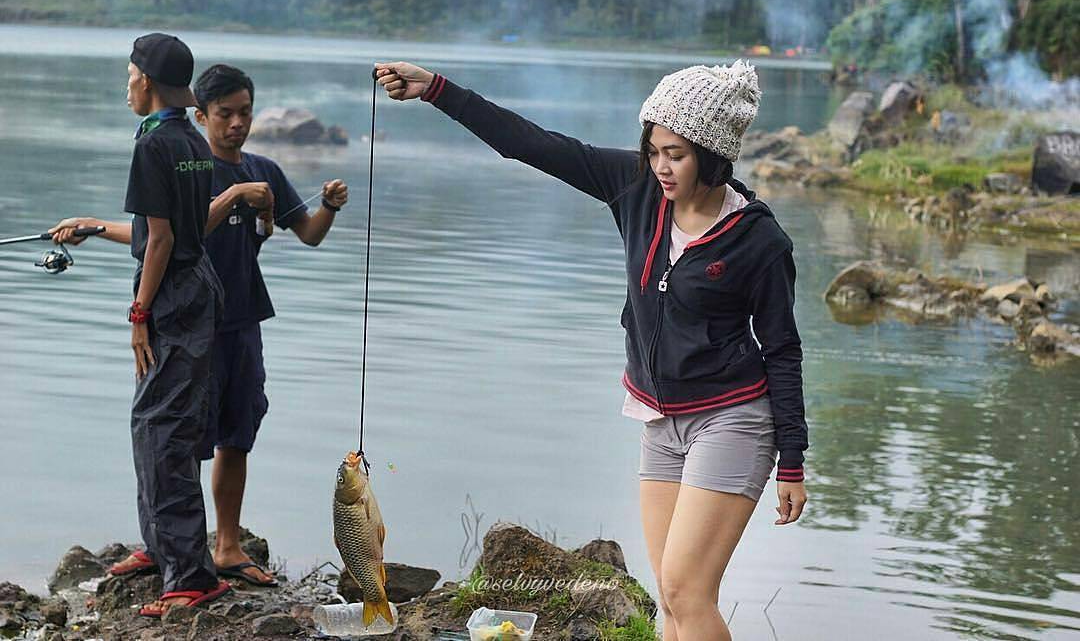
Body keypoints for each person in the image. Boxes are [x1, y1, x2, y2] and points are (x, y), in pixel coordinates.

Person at [373, 60, 809, 640]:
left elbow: (782, 349)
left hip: (732, 418)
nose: (660, 167)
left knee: (686, 589)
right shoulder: (636, 189)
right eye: (652, 150)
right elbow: (529, 143)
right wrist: (437, 90)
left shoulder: (759, 240)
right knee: (671, 599)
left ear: (712, 153)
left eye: (675, 154)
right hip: (660, 418)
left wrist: (793, 461)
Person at [51, 33, 230, 617]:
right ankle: (164, 546)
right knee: (157, 422)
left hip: (174, 298)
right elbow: (172, 229)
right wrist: (96, 226)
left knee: (163, 430)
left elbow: (164, 240)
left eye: (129, 74)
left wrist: (139, 314)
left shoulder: (153, 145)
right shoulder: (191, 140)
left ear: (146, 82)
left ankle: (192, 577)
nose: (126, 84)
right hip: (194, 287)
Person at [192, 63, 348, 587]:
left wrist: (327, 205)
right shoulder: (192, 170)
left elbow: (308, 235)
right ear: (201, 116)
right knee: (186, 438)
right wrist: (235, 197)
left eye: (244, 112)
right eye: (224, 114)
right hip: (193, 323)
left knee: (237, 433)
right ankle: (174, 543)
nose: (237, 123)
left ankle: (228, 544)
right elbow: (179, 235)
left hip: (243, 320)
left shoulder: (264, 169)